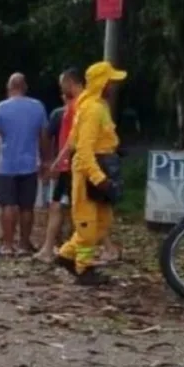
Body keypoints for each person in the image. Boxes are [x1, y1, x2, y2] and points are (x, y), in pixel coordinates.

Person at [54, 61, 125, 285]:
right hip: (89, 174)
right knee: (87, 223)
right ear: (102, 83)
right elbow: (84, 150)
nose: (113, 86)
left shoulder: (96, 106)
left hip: (100, 167)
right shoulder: (92, 109)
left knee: (103, 221)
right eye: (110, 81)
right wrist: (99, 179)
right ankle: (83, 268)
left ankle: (67, 255)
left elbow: (78, 140)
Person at [0, 73, 51, 256]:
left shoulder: (1, 108)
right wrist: (46, 160)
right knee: (27, 206)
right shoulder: (37, 107)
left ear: (9, 87)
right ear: (25, 87)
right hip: (29, 164)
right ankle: (24, 244)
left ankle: (7, 245)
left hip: (7, 165)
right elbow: (43, 137)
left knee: (8, 205)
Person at [34, 68, 83, 263]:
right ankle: (51, 247)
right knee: (61, 206)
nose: (60, 88)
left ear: (70, 82)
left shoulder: (81, 107)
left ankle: (78, 248)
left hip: (74, 164)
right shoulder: (70, 109)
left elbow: (72, 140)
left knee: (75, 209)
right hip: (67, 164)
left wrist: (55, 162)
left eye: (62, 83)